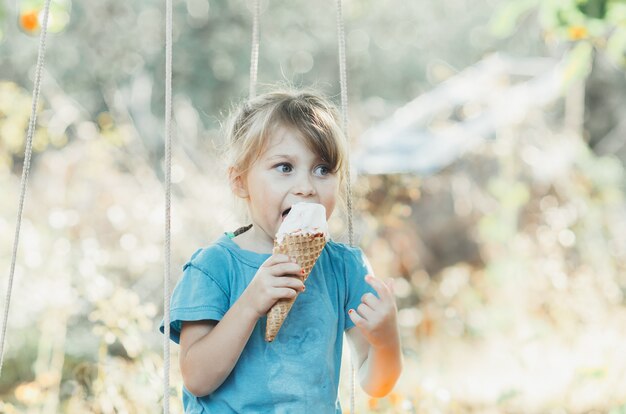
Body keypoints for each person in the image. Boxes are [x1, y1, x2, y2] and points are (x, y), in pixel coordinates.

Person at [160, 89, 402, 413]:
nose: (306, 186)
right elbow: (197, 379)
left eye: (323, 169)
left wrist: (386, 341)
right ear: (240, 181)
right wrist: (250, 304)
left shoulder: (345, 267)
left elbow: (377, 383)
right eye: (285, 167)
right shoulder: (214, 268)